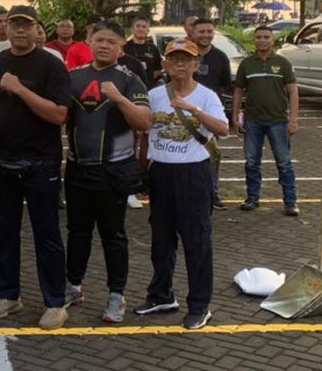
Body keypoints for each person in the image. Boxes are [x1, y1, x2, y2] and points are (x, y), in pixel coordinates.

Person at [0, 5, 71, 330]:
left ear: (37, 29)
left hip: (42, 161)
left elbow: (59, 114)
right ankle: (8, 296)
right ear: (6, 28)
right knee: (5, 232)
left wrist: (20, 89)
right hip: (2, 159)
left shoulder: (51, 65)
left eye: (27, 25)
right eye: (15, 25)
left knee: (46, 233)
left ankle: (55, 303)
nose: (21, 30)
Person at [63, 21, 152, 324]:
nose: (104, 46)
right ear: (89, 42)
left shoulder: (129, 79)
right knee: (77, 232)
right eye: (99, 39)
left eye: (111, 42)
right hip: (77, 168)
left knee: (113, 235)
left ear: (121, 48)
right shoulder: (73, 77)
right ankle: (73, 286)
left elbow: (145, 122)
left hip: (113, 170)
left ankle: (117, 295)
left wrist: (119, 99)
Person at [137, 39, 228, 330]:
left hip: (193, 174)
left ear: (196, 65)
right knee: (161, 240)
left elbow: (223, 129)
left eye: (186, 59)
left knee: (196, 242)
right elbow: (145, 134)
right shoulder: (153, 95)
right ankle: (161, 295)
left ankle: (200, 305)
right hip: (160, 173)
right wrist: (143, 169)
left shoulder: (206, 96)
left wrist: (193, 109)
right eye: (174, 59)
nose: (179, 64)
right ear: (164, 64)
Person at [232, 25, 300, 215]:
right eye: (259, 37)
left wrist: (293, 120)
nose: (262, 40)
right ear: (254, 40)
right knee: (251, 162)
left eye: (266, 37)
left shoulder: (283, 63)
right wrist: (236, 116)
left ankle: (290, 201)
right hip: (253, 121)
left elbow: (293, 91)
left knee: (284, 163)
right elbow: (238, 91)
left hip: (278, 121)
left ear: (272, 40)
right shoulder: (246, 64)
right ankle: (252, 198)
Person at [191, 19, 232, 211]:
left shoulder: (221, 57)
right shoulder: (186, 55)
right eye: (201, 31)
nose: (206, 35)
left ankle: (212, 193)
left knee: (212, 155)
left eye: (209, 31)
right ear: (193, 33)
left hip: (211, 116)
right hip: (185, 113)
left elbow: (224, 84)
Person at [123, 16, 163, 89]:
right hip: (128, 89)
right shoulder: (124, 47)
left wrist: (148, 79)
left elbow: (158, 69)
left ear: (148, 30)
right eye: (138, 26)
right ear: (132, 29)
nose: (141, 29)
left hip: (148, 89)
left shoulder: (152, 48)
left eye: (144, 26)